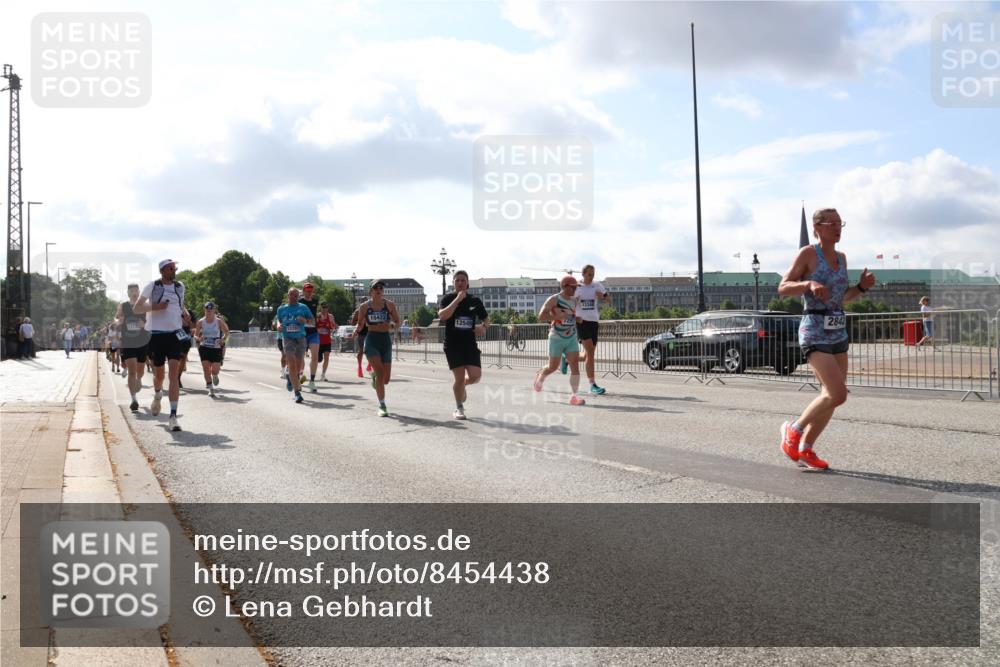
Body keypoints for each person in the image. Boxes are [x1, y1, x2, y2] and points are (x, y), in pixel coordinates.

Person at [778, 208, 876, 470]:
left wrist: (861, 288)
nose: (837, 227)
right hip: (814, 328)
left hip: (837, 329)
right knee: (838, 393)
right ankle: (794, 430)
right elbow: (784, 287)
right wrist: (808, 284)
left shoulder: (842, 259)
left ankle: (806, 448)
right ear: (817, 228)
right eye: (831, 222)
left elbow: (840, 297)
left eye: (840, 222)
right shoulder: (809, 253)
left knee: (832, 396)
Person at [132, 259, 191, 432]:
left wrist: (184, 313)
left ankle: (173, 416)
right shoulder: (153, 286)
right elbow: (137, 308)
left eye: (175, 267)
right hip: (156, 335)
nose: (175, 270)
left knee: (174, 374)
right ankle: (158, 394)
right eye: (171, 268)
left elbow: (179, 305)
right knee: (159, 376)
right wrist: (157, 306)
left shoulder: (180, 286)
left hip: (174, 334)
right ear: (162, 270)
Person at [438, 270, 490, 419]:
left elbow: (487, 319)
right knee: (459, 378)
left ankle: (462, 387)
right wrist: (457, 300)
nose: (460, 283)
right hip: (453, 344)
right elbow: (442, 316)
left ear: (467, 283)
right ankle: (459, 408)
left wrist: (484, 327)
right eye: (457, 280)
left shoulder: (475, 301)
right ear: (453, 283)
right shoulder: (448, 298)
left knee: (475, 376)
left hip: (470, 344)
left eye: (463, 280)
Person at [533, 275, 586, 405]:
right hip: (556, 337)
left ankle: (574, 396)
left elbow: (577, 316)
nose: (575, 289)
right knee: (553, 366)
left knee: (575, 365)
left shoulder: (575, 301)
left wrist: (578, 318)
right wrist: (556, 316)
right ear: (564, 286)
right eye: (573, 287)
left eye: (576, 287)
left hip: (571, 336)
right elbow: (540, 316)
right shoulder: (554, 299)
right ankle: (541, 376)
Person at [359, 280, 401, 417]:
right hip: (371, 340)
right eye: (375, 287)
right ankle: (382, 405)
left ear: (383, 290)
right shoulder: (364, 307)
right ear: (370, 290)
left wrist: (392, 326)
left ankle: (375, 379)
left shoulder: (390, 305)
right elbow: (360, 324)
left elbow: (397, 321)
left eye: (381, 287)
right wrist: (356, 330)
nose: (378, 289)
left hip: (385, 341)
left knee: (386, 379)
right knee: (380, 372)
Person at [572, 264, 612, 394]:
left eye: (593, 274)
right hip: (582, 322)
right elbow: (568, 303)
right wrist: (575, 301)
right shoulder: (577, 287)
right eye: (589, 274)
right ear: (583, 274)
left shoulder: (597, 285)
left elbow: (609, 300)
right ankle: (592, 385)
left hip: (594, 322)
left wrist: (603, 298)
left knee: (587, 355)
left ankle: (566, 358)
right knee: (590, 353)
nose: (591, 276)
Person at [276, 287, 315, 404]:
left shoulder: (303, 307)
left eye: (296, 295)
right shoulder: (281, 309)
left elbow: (312, 321)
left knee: (298, 366)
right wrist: (278, 325)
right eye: (292, 295)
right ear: (288, 295)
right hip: (288, 338)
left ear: (298, 296)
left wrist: (304, 320)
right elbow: (278, 320)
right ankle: (297, 393)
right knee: (292, 363)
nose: (294, 297)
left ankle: (290, 377)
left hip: (301, 338)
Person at [117, 283, 150, 412]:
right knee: (132, 371)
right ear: (128, 293)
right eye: (131, 291)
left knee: (140, 371)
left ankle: (139, 379)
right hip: (128, 341)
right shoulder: (123, 306)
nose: (134, 293)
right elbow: (118, 319)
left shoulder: (144, 305)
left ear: (139, 292)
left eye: (136, 290)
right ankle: (133, 399)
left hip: (142, 341)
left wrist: (145, 324)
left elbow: (151, 322)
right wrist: (119, 322)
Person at [194, 301, 230, 397]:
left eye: (211, 310)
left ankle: (214, 375)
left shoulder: (218, 321)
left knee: (215, 370)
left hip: (216, 348)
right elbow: (195, 335)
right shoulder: (201, 322)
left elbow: (227, 332)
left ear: (214, 310)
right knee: (206, 368)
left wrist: (223, 339)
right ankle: (210, 388)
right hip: (204, 347)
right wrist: (198, 338)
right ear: (204, 310)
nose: (209, 312)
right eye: (207, 310)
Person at [300, 282, 322, 392]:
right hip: (302, 333)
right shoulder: (300, 302)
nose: (309, 293)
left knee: (315, 357)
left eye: (311, 291)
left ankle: (312, 381)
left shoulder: (315, 301)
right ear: (303, 291)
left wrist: (317, 318)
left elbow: (314, 315)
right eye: (307, 291)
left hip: (313, 332)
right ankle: (299, 375)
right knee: (300, 357)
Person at [315, 301, 336, 381]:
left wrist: (332, 323)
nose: (325, 309)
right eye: (323, 307)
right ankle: (313, 372)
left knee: (327, 357)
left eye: (326, 307)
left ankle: (323, 375)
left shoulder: (330, 316)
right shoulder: (317, 316)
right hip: (318, 340)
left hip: (327, 340)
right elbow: (313, 326)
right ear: (320, 308)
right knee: (318, 360)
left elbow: (334, 326)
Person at [350, 304, 371, 378]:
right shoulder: (358, 311)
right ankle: (359, 368)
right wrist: (359, 322)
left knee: (371, 349)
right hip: (361, 331)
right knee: (361, 350)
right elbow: (352, 322)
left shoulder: (372, 309)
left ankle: (369, 364)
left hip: (371, 331)